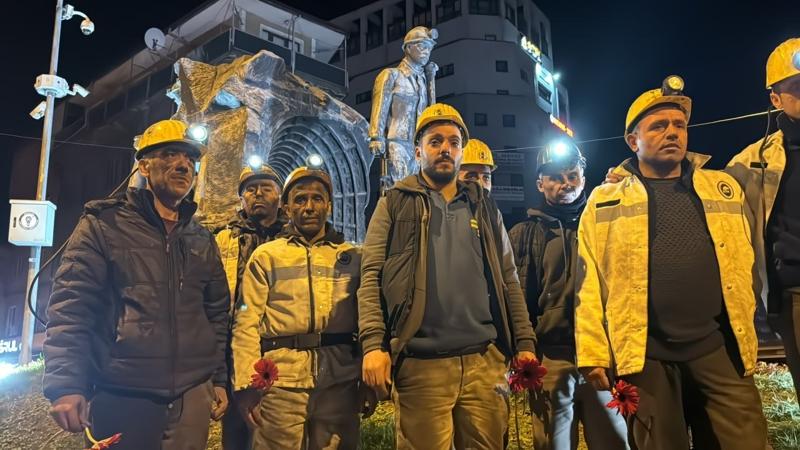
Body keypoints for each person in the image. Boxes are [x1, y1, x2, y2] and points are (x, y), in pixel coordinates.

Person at [576, 77, 768, 450]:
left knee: (745, 439)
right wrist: (593, 351)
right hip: (646, 356)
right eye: (659, 126)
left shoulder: (723, 188)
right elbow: (588, 283)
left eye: (679, 125)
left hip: (717, 347)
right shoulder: (604, 201)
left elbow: (746, 258)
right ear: (633, 141)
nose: (672, 133)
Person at [359, 103, 537, 450]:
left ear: (461, 151)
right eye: (435, 141)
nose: (445, 149)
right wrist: (373, 345)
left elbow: (509, 278)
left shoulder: (484, 206)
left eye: (454, 142)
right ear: (418, 151)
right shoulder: (394, 203)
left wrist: (525, 342)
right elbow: (371, 276)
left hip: (484, 362)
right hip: (421, 365)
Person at [44, 119, 230, 449]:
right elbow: (72, 306)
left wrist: (218, 378)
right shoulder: (103, 225)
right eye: (170, 154)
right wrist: (67, 384)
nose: (183, 165)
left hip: (191, 395)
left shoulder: (202, 238)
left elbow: (216, 314)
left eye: (190, 159)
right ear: (144, 166)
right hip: (120, 392)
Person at [231, 166, 373, 449]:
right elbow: (246, 320)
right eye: (300, 199)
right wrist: (247, 383)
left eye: (317, 198)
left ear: (329, 205)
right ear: (286, 207)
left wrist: (366, 380)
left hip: (339, 382)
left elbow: (367, 319)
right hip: (280, 384)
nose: (309, 207)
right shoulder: (266, 257)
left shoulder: (353, 257)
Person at [509, 142, 628, 450]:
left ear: (584, 180)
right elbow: (516, 297)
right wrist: (524, 347)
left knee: (616, 441)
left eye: (572, 175)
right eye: (555, 177)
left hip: (603, 357)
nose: (566, 183)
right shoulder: (522, 233)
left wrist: (624, 188)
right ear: (540, 183)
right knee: (553, 445)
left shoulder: (605, 221)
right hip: (551, 358)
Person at [726, 38, 800, 403]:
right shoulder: (753, 162)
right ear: (775, 99)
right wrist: (629, 176)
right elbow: (705, 195)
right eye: (797, 87)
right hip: (796, 294)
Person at [215, 164, 284, 449]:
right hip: (235, 345)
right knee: (236, 429)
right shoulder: (223, 238)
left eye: (266, 188)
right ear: (241, 199)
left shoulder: (291, 239)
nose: (258, 194)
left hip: (278, 345)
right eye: (250, 190)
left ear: (279, 196)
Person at [369, 26, 439, 187]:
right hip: (397, 142)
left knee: (420, 188)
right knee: (400, 186)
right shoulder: (391, 75)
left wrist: (431, 80)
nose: (426, 51)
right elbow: (380, 108)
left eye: (429, 48)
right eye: (422, 46)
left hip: (419, 145)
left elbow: (431, 113)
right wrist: (376, 137)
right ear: (408, 48)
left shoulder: (424, 80)